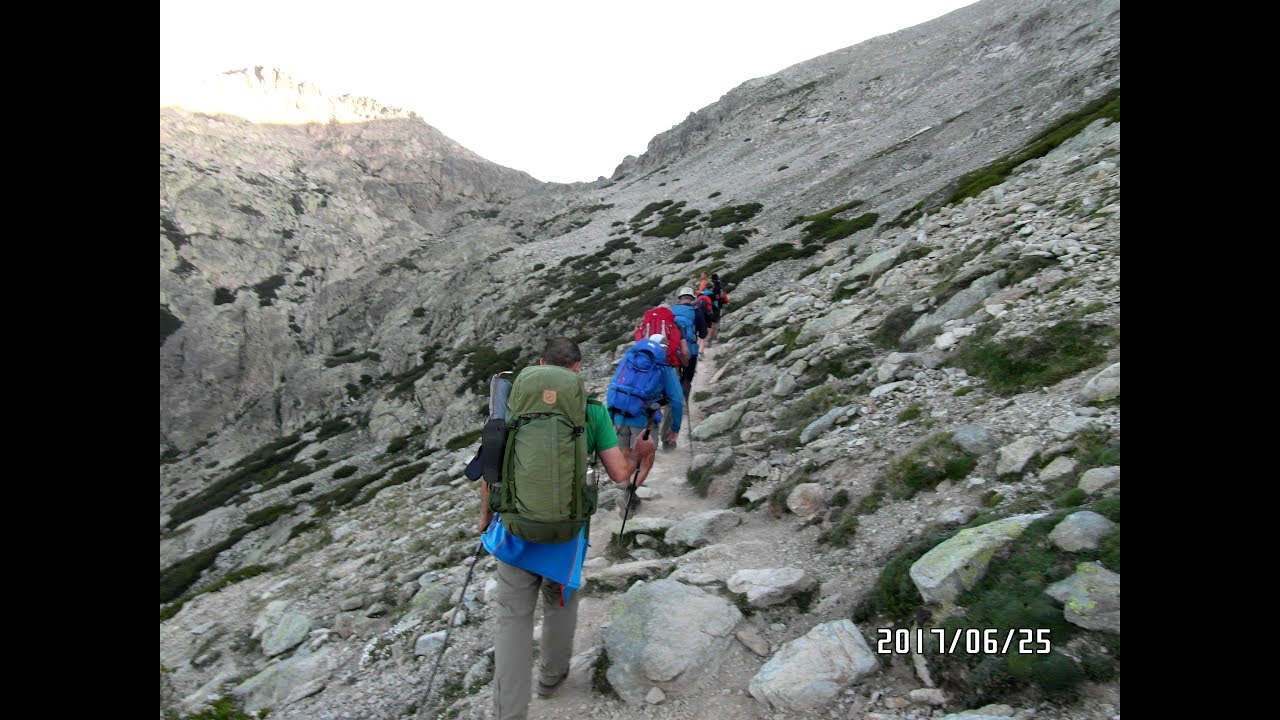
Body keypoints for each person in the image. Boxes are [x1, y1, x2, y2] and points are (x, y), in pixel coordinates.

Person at [480, 337, 656, 720]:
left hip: (513, 530)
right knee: (560, 604)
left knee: (512, 620)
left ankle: (508, 712)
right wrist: (640, 455)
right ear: (577, 369)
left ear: (541, 363)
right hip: (567, 534)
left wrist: (483, 523)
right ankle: (551, 678)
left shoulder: (511, 404)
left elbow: (490, 467)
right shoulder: (591, 411)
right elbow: (621, 476)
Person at [612, 333, 684, 457]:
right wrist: (675, 428)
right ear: (664, 349)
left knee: (623, 462)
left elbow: (615, 387)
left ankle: (624, 476)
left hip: (619, 417)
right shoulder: (664, 369)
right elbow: (677, 400)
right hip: (644, 421)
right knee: (641, 462)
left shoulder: (628, 361)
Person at [669, 286, 707, 402]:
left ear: (680, 298)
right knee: (687, 377)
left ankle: (671, 399)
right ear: (692, 298)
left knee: (672, 376)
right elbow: (703, 334)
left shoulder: (671, 310)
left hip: (673, 350)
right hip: (690, 350)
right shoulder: (696, 312)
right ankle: (684, 400)